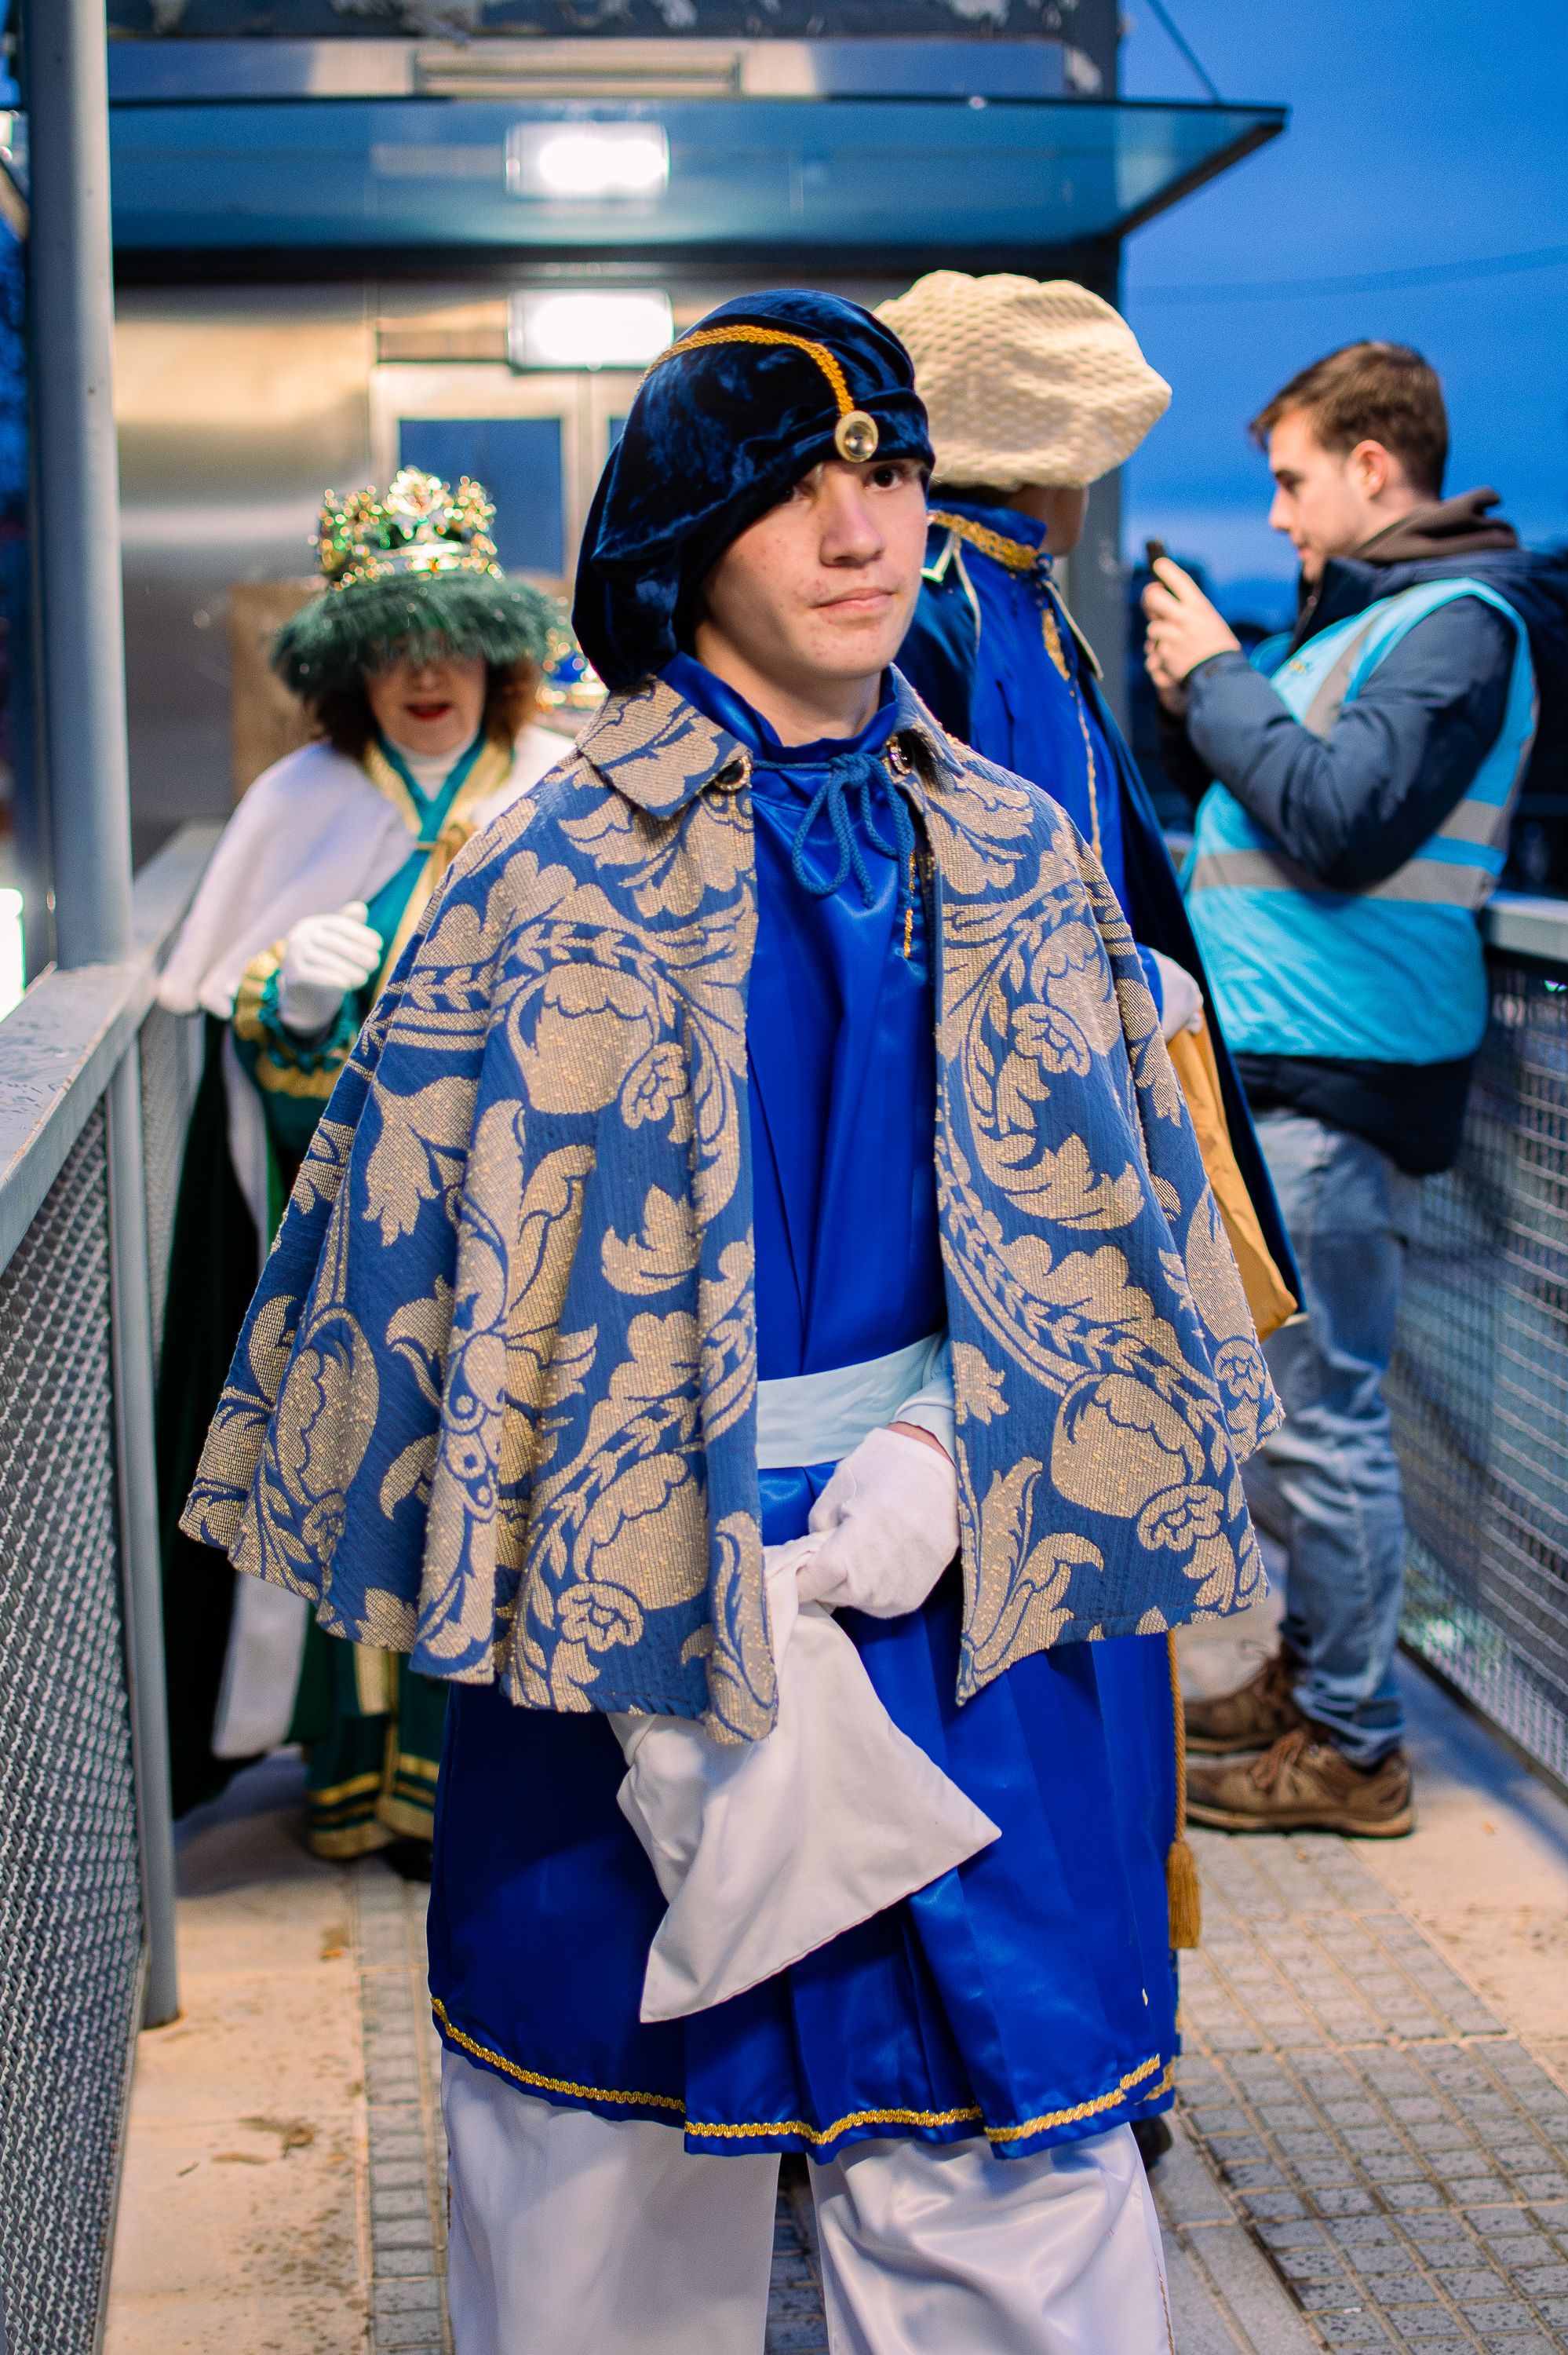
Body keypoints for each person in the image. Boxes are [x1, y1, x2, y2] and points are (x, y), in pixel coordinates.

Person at [183, 288, 1282, 2353]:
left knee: (1016, 2206)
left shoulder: (1026, 859)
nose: (865, 532)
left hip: (974, 1620)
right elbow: (433, 1303)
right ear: (683, 542)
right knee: (596, 2213)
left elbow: (1129, 1259)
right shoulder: (535, 879)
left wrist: (964, 1447)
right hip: (618, 1653)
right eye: (797, 490)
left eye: (890, 476)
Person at [881, 268, 1300, 2165]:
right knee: (1065, 1624)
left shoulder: (958, 606)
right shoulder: (995, 612)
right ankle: (1069, 2033)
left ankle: (1055, 2029)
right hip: (1049, 1188)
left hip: (1022, 1182)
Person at [1143, 340, 1568, 1835]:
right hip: (1294, 1069)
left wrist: (1215, 682)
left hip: (1341, 1071)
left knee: (1320, 1425)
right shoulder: (1368, 625)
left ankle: (1356, 1744)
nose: (1274, 517)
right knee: (1287, 1420)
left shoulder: (1458, 624)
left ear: (1374, 470)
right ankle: (1321, 1674)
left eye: (1293, 478)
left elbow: (1339, 823)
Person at [156, 466, 570, 1860]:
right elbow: (239, 1036)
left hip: (529, 1209)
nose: (425, 672)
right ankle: (363, 1777)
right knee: (358, 1475)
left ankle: (505, 1789)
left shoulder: (560, 787)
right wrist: (288, 993)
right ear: (347, 672)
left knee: (512, 1480)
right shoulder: (302, 799)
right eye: (390, 648)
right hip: (365, 1232)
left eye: (450, 637)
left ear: (496, 648)